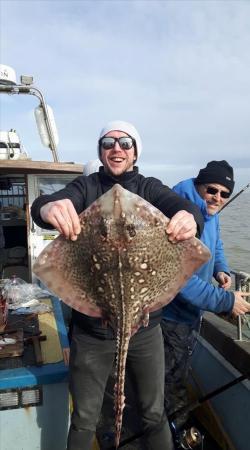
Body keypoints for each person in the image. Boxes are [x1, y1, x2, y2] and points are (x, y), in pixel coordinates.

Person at [31, 120, 204, 450]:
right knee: (84, 417)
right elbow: (45, 206)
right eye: (108, 143)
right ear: (100, 152)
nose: (117, 149)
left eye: (125, 143)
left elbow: (184, 206)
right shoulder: (86, 188)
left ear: (135, 152)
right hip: (92, 332)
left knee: (154, 413)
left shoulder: (150, 188)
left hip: (146, 328)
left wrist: (190, 217)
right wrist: (48, 206)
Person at [161, 160, 250, 430]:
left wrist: (221, 270)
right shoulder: (178, 215)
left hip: (192, 315)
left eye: (225, 193)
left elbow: (218, 243)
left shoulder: (210, 214)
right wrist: (227, 301)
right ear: (198, 184)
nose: (218, 198)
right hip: (169, 317)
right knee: (170, 380)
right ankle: (171, 432)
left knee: (178, 373)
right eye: (212, 190)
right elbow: (181, 281)